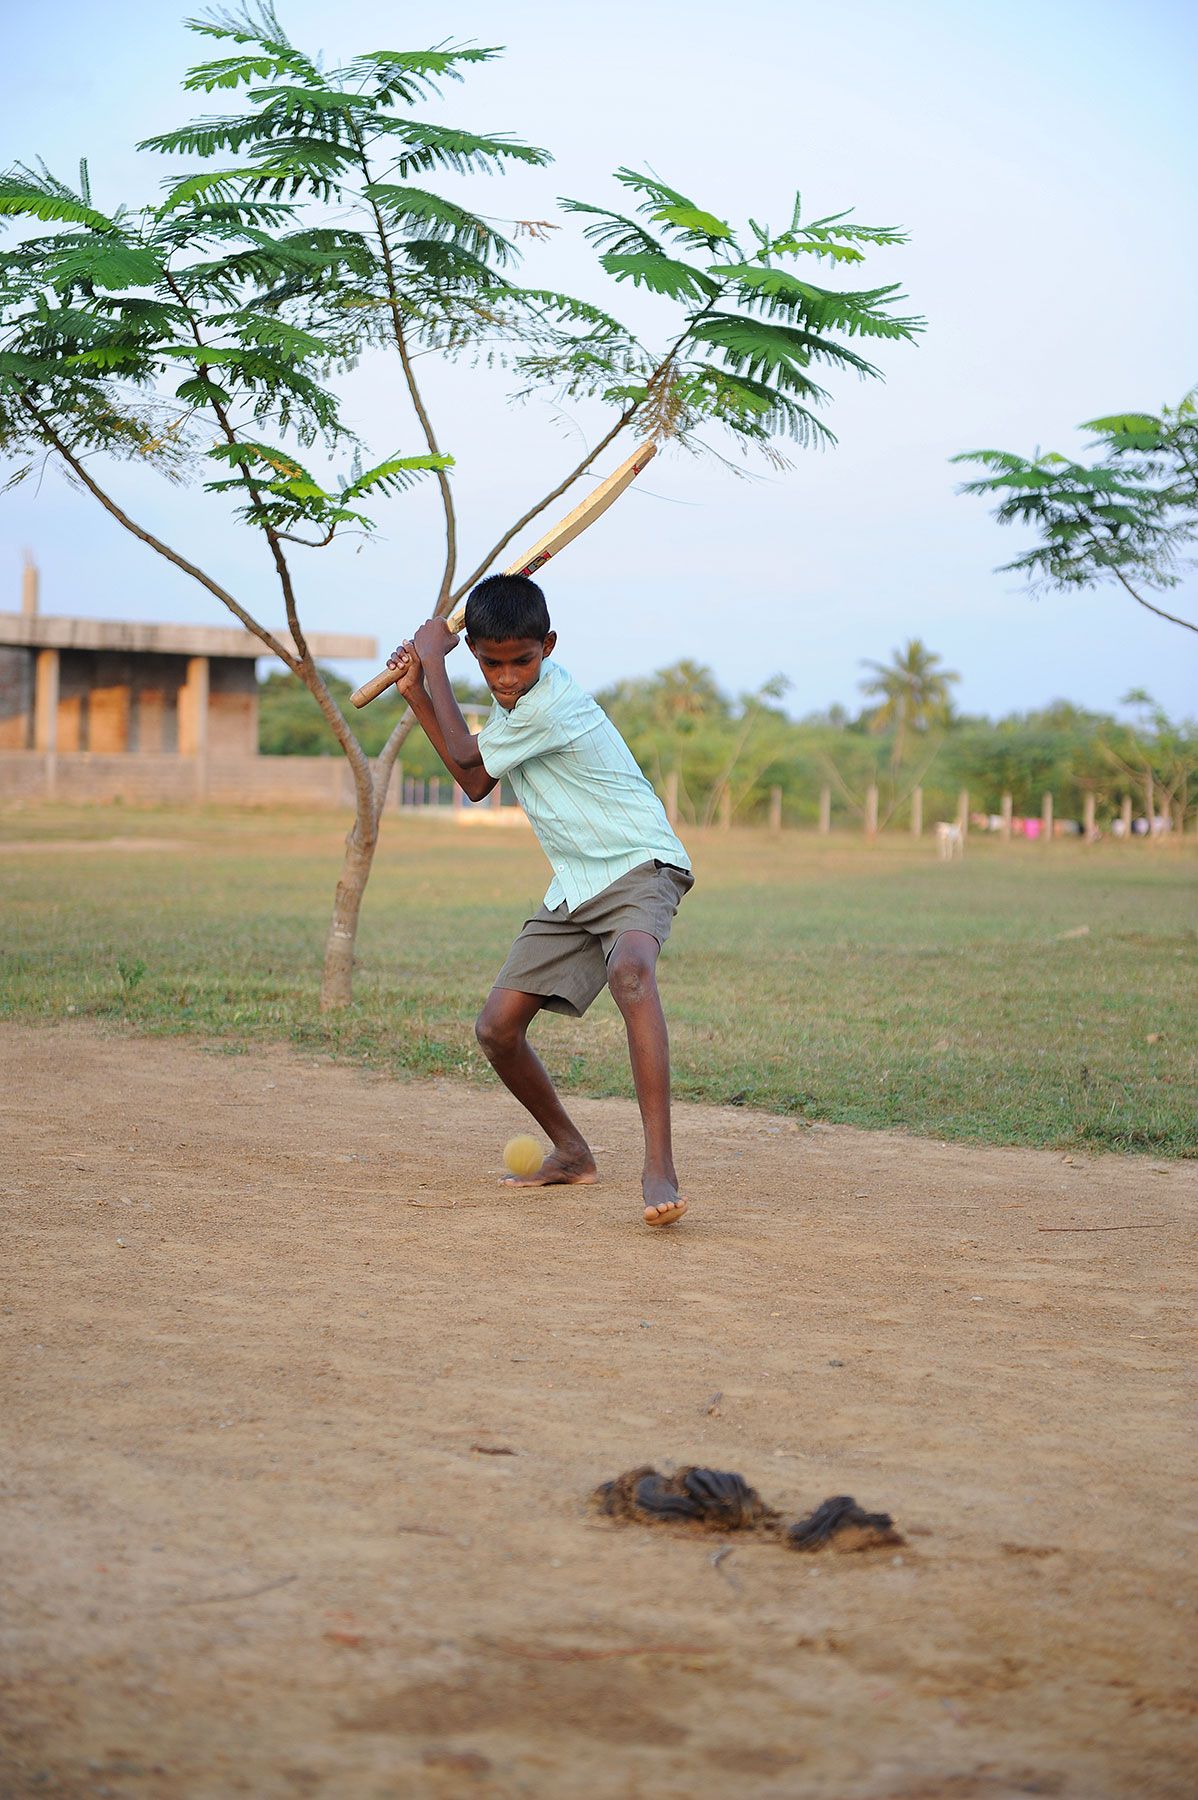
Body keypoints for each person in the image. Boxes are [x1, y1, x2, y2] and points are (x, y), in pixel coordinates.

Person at [387, 574, 693, 1228]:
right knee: (496, 1029)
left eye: (521, 660)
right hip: (576, 881)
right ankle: (572, 1153)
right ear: (477, 655)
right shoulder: (514, 705)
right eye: (489, 664)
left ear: (548, 646)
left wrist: (434, 659)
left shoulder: (552, 703)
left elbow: (466, 755)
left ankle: (659, 1166)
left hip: (639, 861)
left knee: (631, 972)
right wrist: (417, 691)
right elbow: (474, 781)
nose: (505, 678)